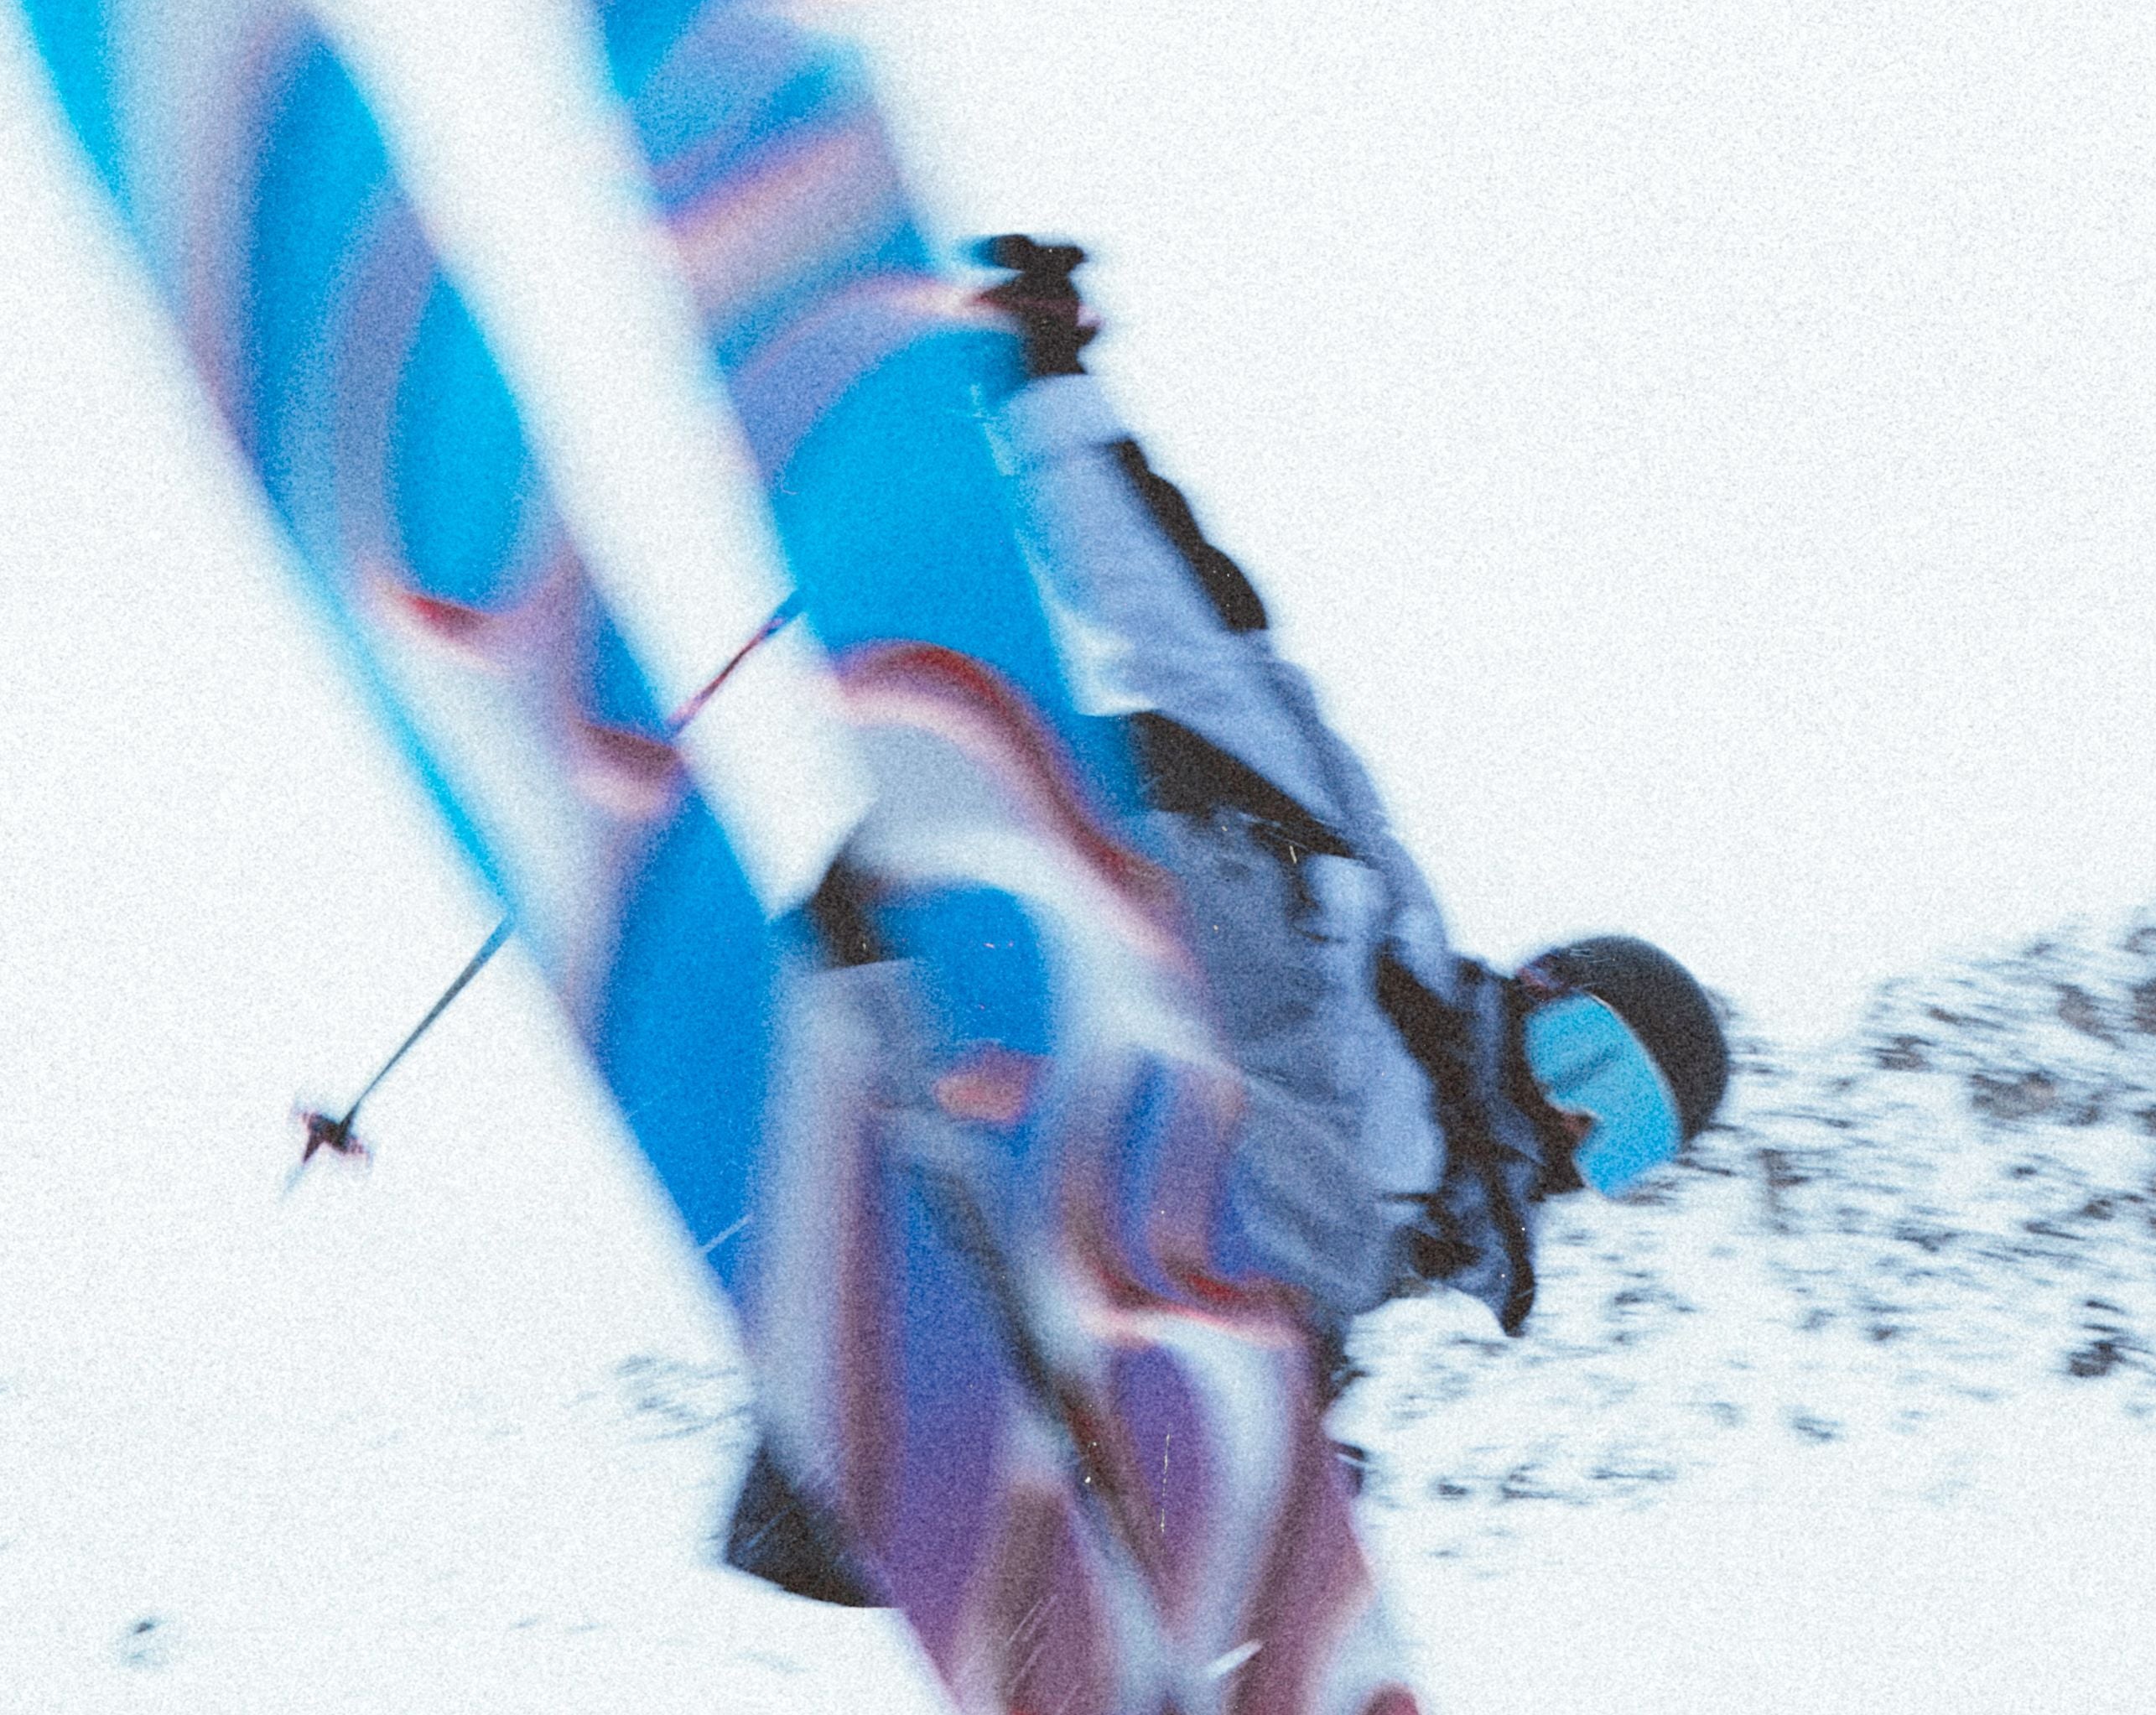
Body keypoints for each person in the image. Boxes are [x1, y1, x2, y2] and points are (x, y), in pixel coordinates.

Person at [723, 234, 1728, 1600]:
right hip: (1005, 924)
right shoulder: (1380, 918)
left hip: (1055, 1178)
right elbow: (1209, 645)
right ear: (1544, 989)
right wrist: (1046, 392)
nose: (1573, 1131)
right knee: (1286, 1179)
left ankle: (938, 1469)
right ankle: (1129, 1435)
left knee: (1255, 1300)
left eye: (1624, 1150)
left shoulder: (1406, 1225)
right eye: (1587, 1071)